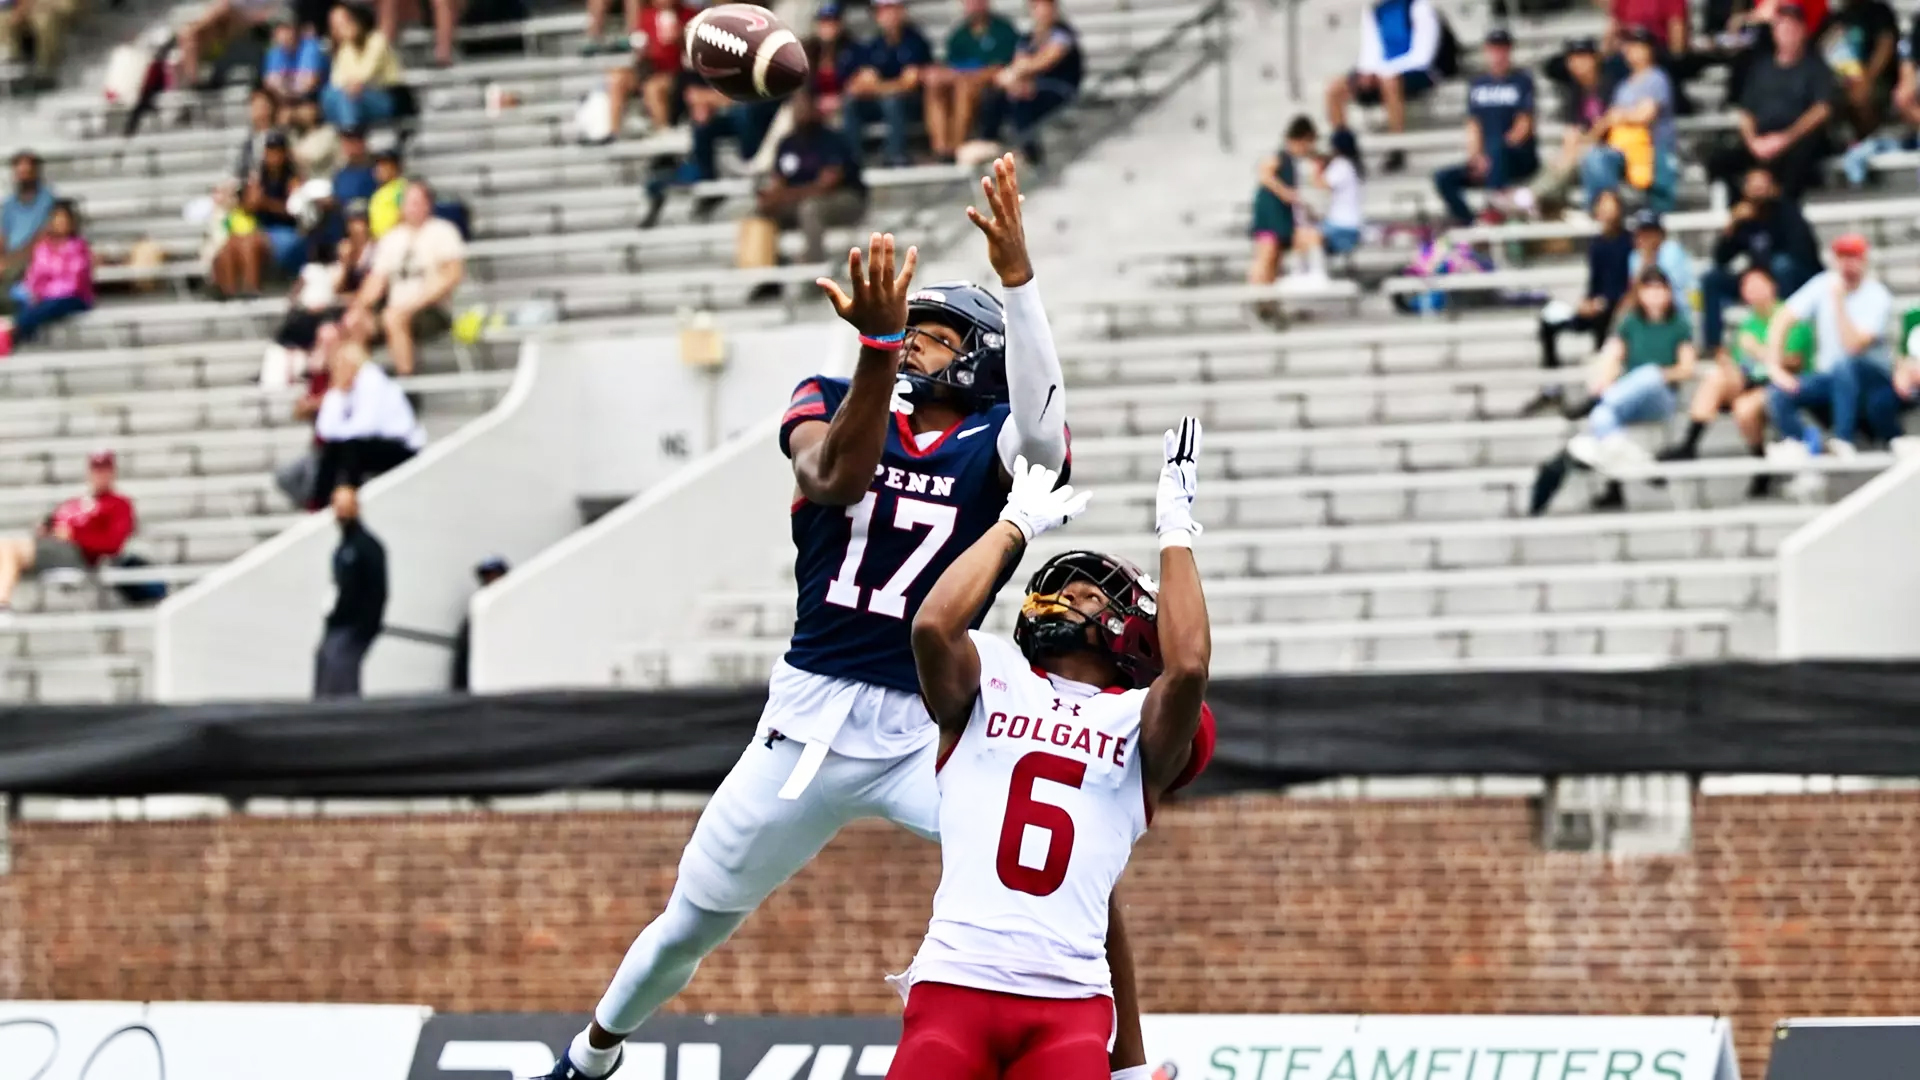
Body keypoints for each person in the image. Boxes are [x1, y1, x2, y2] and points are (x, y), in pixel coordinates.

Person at [534, 159, 1078, 1080]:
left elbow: (1049, 441)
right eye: (908, 335)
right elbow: (833, 478)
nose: (912, 347)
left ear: (981, 354)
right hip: (808, 724)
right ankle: (590, 1058)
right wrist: (873, 350)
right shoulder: (834, 396)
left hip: (929, 729)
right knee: (688, 925)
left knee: (1065, 873)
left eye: (932, 338)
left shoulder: (997, 445)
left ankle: (1114, 1056)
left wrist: (1020, 286)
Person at [888, 422, 1214, 1080]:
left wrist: (1174, 526)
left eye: (1091, 593)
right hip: (955, 983)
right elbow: (930, 623)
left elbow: (1189, 669)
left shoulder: (1136, 719)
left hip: (1068, 1005)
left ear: (1135, 631)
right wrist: (1015, 525)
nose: (1068, 597)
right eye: (1062, 588)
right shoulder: (995, 671)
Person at [1531, 267, 1699, 514]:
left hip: (1660, 396)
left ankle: (1597, 401)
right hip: (1627, 398)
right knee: (1603, 416)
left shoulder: (1678, 324)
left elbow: (1687, 368)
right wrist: (1604, 378)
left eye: (1659, 289)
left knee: (1648, 374)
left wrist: (1661, 374)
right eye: (1649, 289)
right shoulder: (1631, 322)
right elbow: (1612, 355)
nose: (1654, 295)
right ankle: (1636, 459)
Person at [1659, 265, 1812, 496]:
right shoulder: (1748, 323)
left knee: (1744, 409)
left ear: (1773, 286)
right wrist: (1727, 361)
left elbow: (1794, 362)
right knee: (1716, 377)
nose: (1753, 291)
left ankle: (1761, 466)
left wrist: (1759, 351)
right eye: (1747, 286)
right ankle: (1689, 444)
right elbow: (1740, 360)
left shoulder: (1790, 316)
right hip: (1750, 379)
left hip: (1783, 383)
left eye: (1758, 284)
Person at [1767, 233, 1898, 455]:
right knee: (1780, 392)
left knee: (1844, 366)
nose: (1847, 263)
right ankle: (1803, 443)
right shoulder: (1822, 284)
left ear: (1864, 260)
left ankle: (1843, 438)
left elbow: (1853, 346)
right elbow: (1782, 319)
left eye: (1853, 257)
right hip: (1831, 379)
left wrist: (1838, 302)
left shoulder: (1878, 296)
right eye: (1842, 257)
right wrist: (1775, 367)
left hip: (1871, 377)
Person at [1708, 2, 1834, 203]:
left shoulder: (1816, 68)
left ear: (1802, 31)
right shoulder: (1760, 69)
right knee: (1720, 161)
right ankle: (1740, 210)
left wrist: (1785, 138)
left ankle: (1783, 213)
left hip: (1796, 142)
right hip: (1760, 141)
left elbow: (1822, 109)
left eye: (1792, 27)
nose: (1787, 32)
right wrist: (1753, 142)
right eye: (1782, 26)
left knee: (1797, 164)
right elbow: (1746, 111)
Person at [1529, 189, 1633, 414]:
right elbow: (1595, 282)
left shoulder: (1628, 242)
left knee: (1603, 322)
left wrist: (1603, 302)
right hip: (1595, 305)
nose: (1606, 210)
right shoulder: (1596, 244)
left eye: (1610, 204)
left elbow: (1626, 284)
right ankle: (1551, 389)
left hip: (1616, 308)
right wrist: (1586, 302)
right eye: (1602, 204)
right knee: (1548, 323)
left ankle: (1600, 390)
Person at [0, 450, 135, 618]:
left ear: (112, 473)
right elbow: (57, 524)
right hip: (51, 548)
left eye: (104, 469)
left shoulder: (119, 505)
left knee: (8, 548)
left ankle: (2, 604)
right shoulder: (76, 502)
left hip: (78, 556)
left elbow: (113, 544)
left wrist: (75, 536)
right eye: (96, 469)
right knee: (5, 548)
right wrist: (47, 529)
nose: (100, 474)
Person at [351, 180, 464, 375]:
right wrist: (358, 308)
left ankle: (408, 384)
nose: (412, 207)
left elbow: (452, 275)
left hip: (432, 308)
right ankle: (363, 385)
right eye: (409, 202)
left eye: (417, 202)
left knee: (394, 317)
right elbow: (376, 280)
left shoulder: (442, 231)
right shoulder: (391, 238)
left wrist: (412, 305)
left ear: (428, 204)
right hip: (396, 307)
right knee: (356, 323)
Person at [1699, 167, 1818, 352]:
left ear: (1772, 188)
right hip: (1757, 279)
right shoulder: (1744, 217)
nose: (1758, 192)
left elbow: (1802, 253)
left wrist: (1764, 278)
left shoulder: (1787, 212)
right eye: (1753, 187)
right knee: (1712, 279)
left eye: (1762, 186)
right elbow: (1721, 258)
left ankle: (1786, 337)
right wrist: (1732, 225)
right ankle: (1713, 346)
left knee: (1782, 266)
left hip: (1793, 277)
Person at [751, 89, 868, 267]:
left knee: (810, 208)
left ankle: (814, 269)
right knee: (762, 211)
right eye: (796, 106)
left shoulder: (832, 140)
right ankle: (768, 273)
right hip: (800, 199)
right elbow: (778, 182)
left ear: (815, 108)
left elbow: (826, 185)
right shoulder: (787, 143)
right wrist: (771, 198)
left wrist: (785, 196)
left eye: (804, 105)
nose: (801, 111)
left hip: (845, 198)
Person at [1433, 28, 1537, 226]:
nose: (1498, 55)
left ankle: (1494, 209)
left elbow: (1523, 126)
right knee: (1443, 178)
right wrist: (1476, 157)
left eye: (1502, 49)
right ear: (1486, 51)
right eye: (1494, 49)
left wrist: (1494, 155)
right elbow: (1474, 125)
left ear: (1509, 51)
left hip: (1517, 156)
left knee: (1498, 147)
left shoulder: (1522, 82)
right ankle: (1470, 221)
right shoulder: (1478, 85)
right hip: (1490, 158)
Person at [1326, 0, 1442, 173]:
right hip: (1383, 73)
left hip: (1416, 71)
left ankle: (1396, 147)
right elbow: (1371, 50)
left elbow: (1422, 55)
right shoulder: (1375, 11)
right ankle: (1345, 150)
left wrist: (1383, 72)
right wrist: (1367, 73)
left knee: (1390, 82)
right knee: (1335, 88)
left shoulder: (1419, 8)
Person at [312, 342, 425, 497]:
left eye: (341, 366)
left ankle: (349, 497)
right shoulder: (342, 390)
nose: (337, 371)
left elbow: (366, 427)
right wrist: (337, 394)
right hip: (371, 443)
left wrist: (341, 433)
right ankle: (322, 502)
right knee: (332, 450)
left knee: (349, 449)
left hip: (401, 445)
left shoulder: (372, 380)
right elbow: (324, 429)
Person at [1581, 26, 1677, 208]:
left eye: (1639, 46)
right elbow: (1610, 118)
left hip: (1654, 151)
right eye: (1630, 46)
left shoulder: (1657, 78)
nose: (1632, 51)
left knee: (1661, 210)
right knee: (1594, 157)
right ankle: (1601, 205)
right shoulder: (1623, 85)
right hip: (1624, 150)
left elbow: (1645, 115)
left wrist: (1620, 115)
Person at [976, 0, 1082, 163]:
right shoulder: (1028, 38)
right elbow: (1020, 64)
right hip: (1031, 86)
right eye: (1036, 7)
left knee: (1023, 99)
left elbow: (1043, 62)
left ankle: (1031, 154)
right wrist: (1014, 79)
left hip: (1059, 88)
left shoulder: (1062, 34)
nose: (1041, 12)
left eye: (1044, 7)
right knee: (997, 96)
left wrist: (1017, 72)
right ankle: (989, 142)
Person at [314, 484, 386, 698]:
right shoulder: (343, 547)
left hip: (354, 625)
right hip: (338, 624)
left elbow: (377, 591)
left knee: (340, 676)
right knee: (325, 665)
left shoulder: (366, 547)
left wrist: (366, 625)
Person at [842, 0, 934, 167]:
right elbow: (858, 86)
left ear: (901, 11)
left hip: (914, 103)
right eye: (882, 11)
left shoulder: (915, 42)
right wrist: (889, 87)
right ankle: (852, 159)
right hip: (883, 101)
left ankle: (895, 154)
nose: (888, 16)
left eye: (892, 9)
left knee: (892, 101)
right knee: (851, 103)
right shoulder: (873, 45)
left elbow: (909, 84)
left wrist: (879, 87)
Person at [213, 133, 306, 298]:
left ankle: (252, 289)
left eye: (277, 151)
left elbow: (295, 211)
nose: (273, 156)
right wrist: (250, 201)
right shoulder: (258, 178)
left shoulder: (294, 179)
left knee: (251, 242)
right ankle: (229, 292)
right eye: (270, 151)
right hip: (261, 229)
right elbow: (249, 207)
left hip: (286, 231)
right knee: (230, 245)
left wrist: (265, 203)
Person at [1529, 37, 1614, 214]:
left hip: (1609, 151)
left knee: (1574, 158)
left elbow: (1607, 125)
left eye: (1583, 57)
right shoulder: (1574, 92)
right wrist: (1567, 155)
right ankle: (1541, 203)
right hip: (1584, 150)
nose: (1578, 63)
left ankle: (1529, 197)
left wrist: (1575, 149)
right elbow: (1572, 132)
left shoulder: (1610, 86)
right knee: (1554, 162)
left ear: (1595, 58)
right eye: (1573, 58)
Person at [925, 0, 1019, 159]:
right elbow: (951, 66)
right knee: (935, 86)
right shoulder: (959, 35)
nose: (974, 4)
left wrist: (968, 77)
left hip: (991, 88)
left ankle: (956, 146)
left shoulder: (1003, 31)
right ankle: (940, 148)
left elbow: (1001, 67)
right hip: (960, 83)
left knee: (965, 87)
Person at [603, 0, 699, 138]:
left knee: (653, 88)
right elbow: (640, 49)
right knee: (617, 78)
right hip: (650, 69)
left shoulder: (690, 15)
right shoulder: (646, 16)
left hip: (676, 72)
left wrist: (680, 39)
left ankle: (663, 134)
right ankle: (613, 132)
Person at [5, 199, 93, 346]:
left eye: (64, 220)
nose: (60, 224)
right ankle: (20, 337)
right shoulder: (43, 248)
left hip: (73, 297)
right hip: (44, 297)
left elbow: (74, 281)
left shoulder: (79, 247)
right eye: (57, 220)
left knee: (49, 305)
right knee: (23, 301)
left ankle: (15, 333)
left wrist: (46, 293)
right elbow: (34, 275)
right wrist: (34, 292)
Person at [1246, 117, 1317, 292]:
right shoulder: (1279, 156)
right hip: (1270, 213)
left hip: (1281, 214)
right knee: (1265, 255)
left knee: (1275, 259)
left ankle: (1268, 301)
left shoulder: (1293, 161)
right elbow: (1264, 175)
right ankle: (1255, 298)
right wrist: (1286, 194)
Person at [1821, 0, 1898, 140]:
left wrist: (1868, 78)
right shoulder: (1836, 17)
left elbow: (1886, 45)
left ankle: (1871, 142)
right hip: (1840, 78)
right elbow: (1823, 47)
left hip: (1876, 77)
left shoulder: (1879, 11)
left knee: (1861, 95)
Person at [321, 3, 403, 132]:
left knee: (349, 98)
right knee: (329, 94)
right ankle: (344, 136)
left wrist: (352, 84)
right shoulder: (346, 47)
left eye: (348, 23)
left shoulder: (377, 40)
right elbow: (336, 79)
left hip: (385, 95)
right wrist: (348, 84)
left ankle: (353, 137)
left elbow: (366, 73)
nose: (344, 29)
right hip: (356, 95)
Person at [451, 555, 508, 691]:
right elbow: (463, 658)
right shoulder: (476, 614)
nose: (491, 581)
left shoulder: (512, 612)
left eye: (495, 576)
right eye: (487, 578)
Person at [2, 151, 54, 299]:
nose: (23, 176)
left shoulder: (48, 201)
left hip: (35, 258)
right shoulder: (9, 204)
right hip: (11, 259)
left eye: (28, 172)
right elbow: (2, 236)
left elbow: (44, 237)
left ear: (36, 173)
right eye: (20, 172)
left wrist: (12, 260)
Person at [1626, 209, 1694, 312]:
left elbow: (1668, 292)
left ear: (1661, 234)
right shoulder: (1635, 257)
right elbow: (1633, 294)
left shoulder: (1672, 251)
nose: (1646, 238)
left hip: (1676, 313)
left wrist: (1650, 259)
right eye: (1642, 233)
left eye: (1651, 232)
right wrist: (1645, 263)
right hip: (1646, 314)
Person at [263, 19, 330, 105]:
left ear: (297, 30)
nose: (284, 35)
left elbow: (309, 83)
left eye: (288, 29)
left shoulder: (310, 47)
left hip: (315, 100)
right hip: (286, 100)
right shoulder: (274, 52)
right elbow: (270, 83)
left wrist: (284, 86)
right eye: (279, 30)